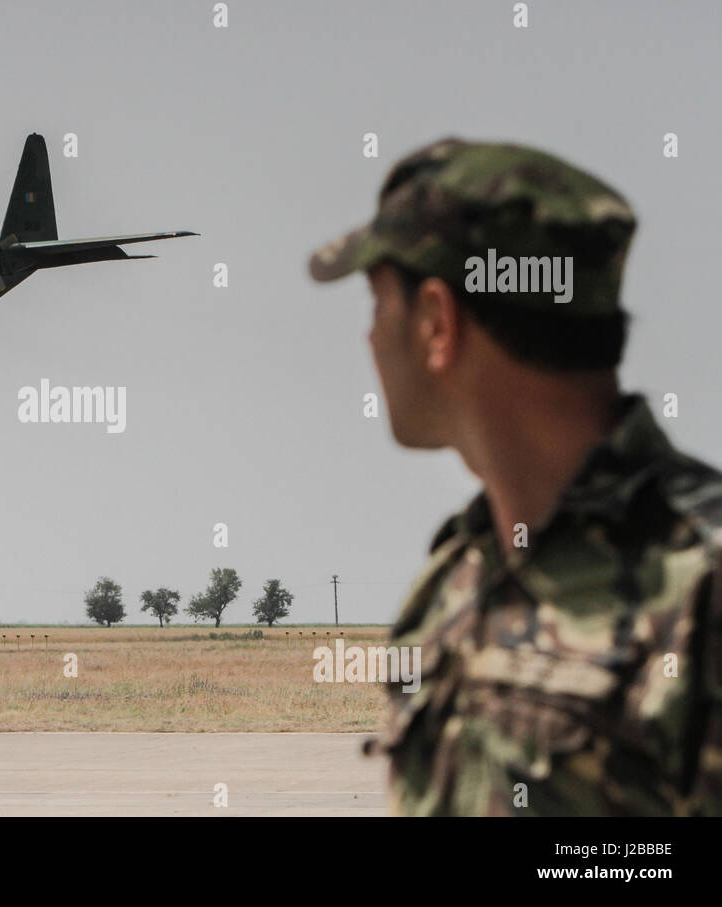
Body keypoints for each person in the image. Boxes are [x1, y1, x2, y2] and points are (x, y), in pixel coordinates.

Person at [308, 137, 721, 815]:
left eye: (378, 304)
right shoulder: (458, 574)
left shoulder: (701, 582)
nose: (370, 339)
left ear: (438, 323)